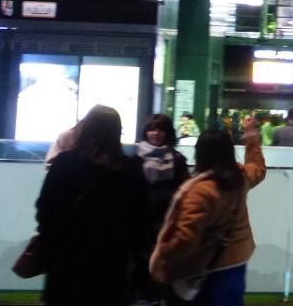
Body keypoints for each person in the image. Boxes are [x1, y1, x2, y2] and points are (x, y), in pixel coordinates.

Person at [35, 105, 148, 306]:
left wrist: (51, 240)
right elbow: (141, 218)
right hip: (111, 264)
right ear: (117, 132)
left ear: (86, 129)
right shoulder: (130, 170)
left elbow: (45, 209)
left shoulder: (64, 163)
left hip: (65, 261)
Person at [150, 117, 267, 306]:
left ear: (200, 153)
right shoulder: (241, 177)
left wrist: (162, 259)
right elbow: (258, 167)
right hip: (239, 262)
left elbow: (185, 238)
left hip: (210, 268)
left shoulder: (200, 191)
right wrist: (251, 135)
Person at [136, 113, 191, 301]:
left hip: (167, 223)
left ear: (168, 133)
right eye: (151, 129)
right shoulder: (136, 158)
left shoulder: (177, 159)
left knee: (163, 267)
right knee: (142, 267)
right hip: (141, 223)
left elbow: (184, 191)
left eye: (160, 129)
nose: (155, 133)